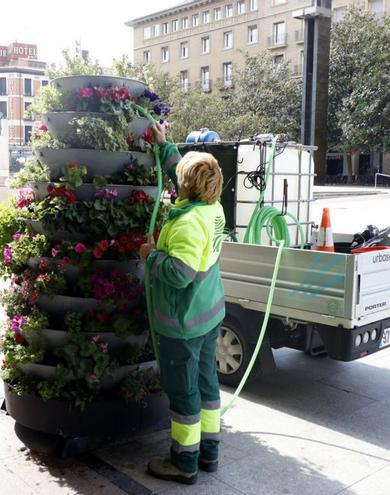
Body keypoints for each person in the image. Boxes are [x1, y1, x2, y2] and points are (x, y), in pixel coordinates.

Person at [139, 123, 226, 485]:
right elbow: (183, 179)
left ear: (190, 185)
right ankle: (208, 454)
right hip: (207, 316)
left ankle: (184, 461)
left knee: (184, 391)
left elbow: (180, 274)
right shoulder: (211, 208)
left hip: (183, 323)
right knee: (207, 385)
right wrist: (165, 146)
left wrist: (150, 257)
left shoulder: (189, 222)